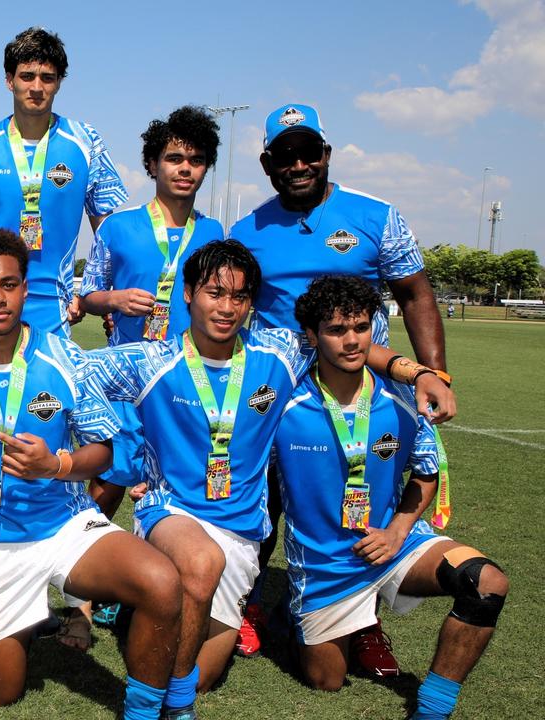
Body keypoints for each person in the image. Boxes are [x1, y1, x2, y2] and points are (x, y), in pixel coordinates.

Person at [88, 240, 454, 719]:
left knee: (204, 674)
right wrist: (121, 446)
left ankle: (160, 610)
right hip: (171, 511)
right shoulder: (151, 361)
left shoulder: (280, 352)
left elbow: (350, 341)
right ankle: (157, 709)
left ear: (251, 304)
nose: (227, 307)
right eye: (214, 293)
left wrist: (421, 372)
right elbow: (77, 375)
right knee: (199, 563)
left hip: (241, 530)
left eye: (239, 297)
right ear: (189, 295)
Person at [229, 103, 450, 666]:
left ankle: (366, 620)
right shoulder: (246, 230)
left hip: (365, 388)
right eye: (285, 156)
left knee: (369, 499)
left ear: (326, 155)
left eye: (308, 153)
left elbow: (416, 293)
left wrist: (433, 373)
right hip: (283, 395)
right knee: (267, 498)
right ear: (267, 163)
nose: (298, 164)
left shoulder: (377, 216)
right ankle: (249, 605)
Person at [0, 228, 183, 720]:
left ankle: (151, 711)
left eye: (9, 284)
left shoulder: (63, 355)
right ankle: (17, 613)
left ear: (25, 289)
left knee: (161, 581)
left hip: (63, 524)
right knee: (1, 692)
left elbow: (104, 448)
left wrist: (58, 465)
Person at [277, 275, 505, 720]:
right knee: (326, 681)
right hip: (324, 565)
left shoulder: (402, 399)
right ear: (311, 335)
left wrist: (399, 530)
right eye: (336, 330)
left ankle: (433, 709)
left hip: (394, 544)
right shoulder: (283, 402)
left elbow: (425, 474)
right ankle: (297, 617)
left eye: (360, 327)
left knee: (487, 583)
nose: (351, 340)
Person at [77, 106, 224, 607]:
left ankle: (151, 581)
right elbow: (88, 295)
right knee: (112, 479)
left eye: (197, 160)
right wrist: (113, 301)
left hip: (187, 384)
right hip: (127, 381)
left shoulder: (216, 233)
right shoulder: (118, 227)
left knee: (174, 487)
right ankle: (88, 582)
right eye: (174, 158)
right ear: (153, 164)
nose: (185, 169)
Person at [0, 27, 127, 338]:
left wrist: (92, 293)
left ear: (59, 82)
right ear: (9, 80)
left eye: (47, 77)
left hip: (55, 311)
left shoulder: (87, 141)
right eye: (27, 76)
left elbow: (107, 234)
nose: (36, 86)